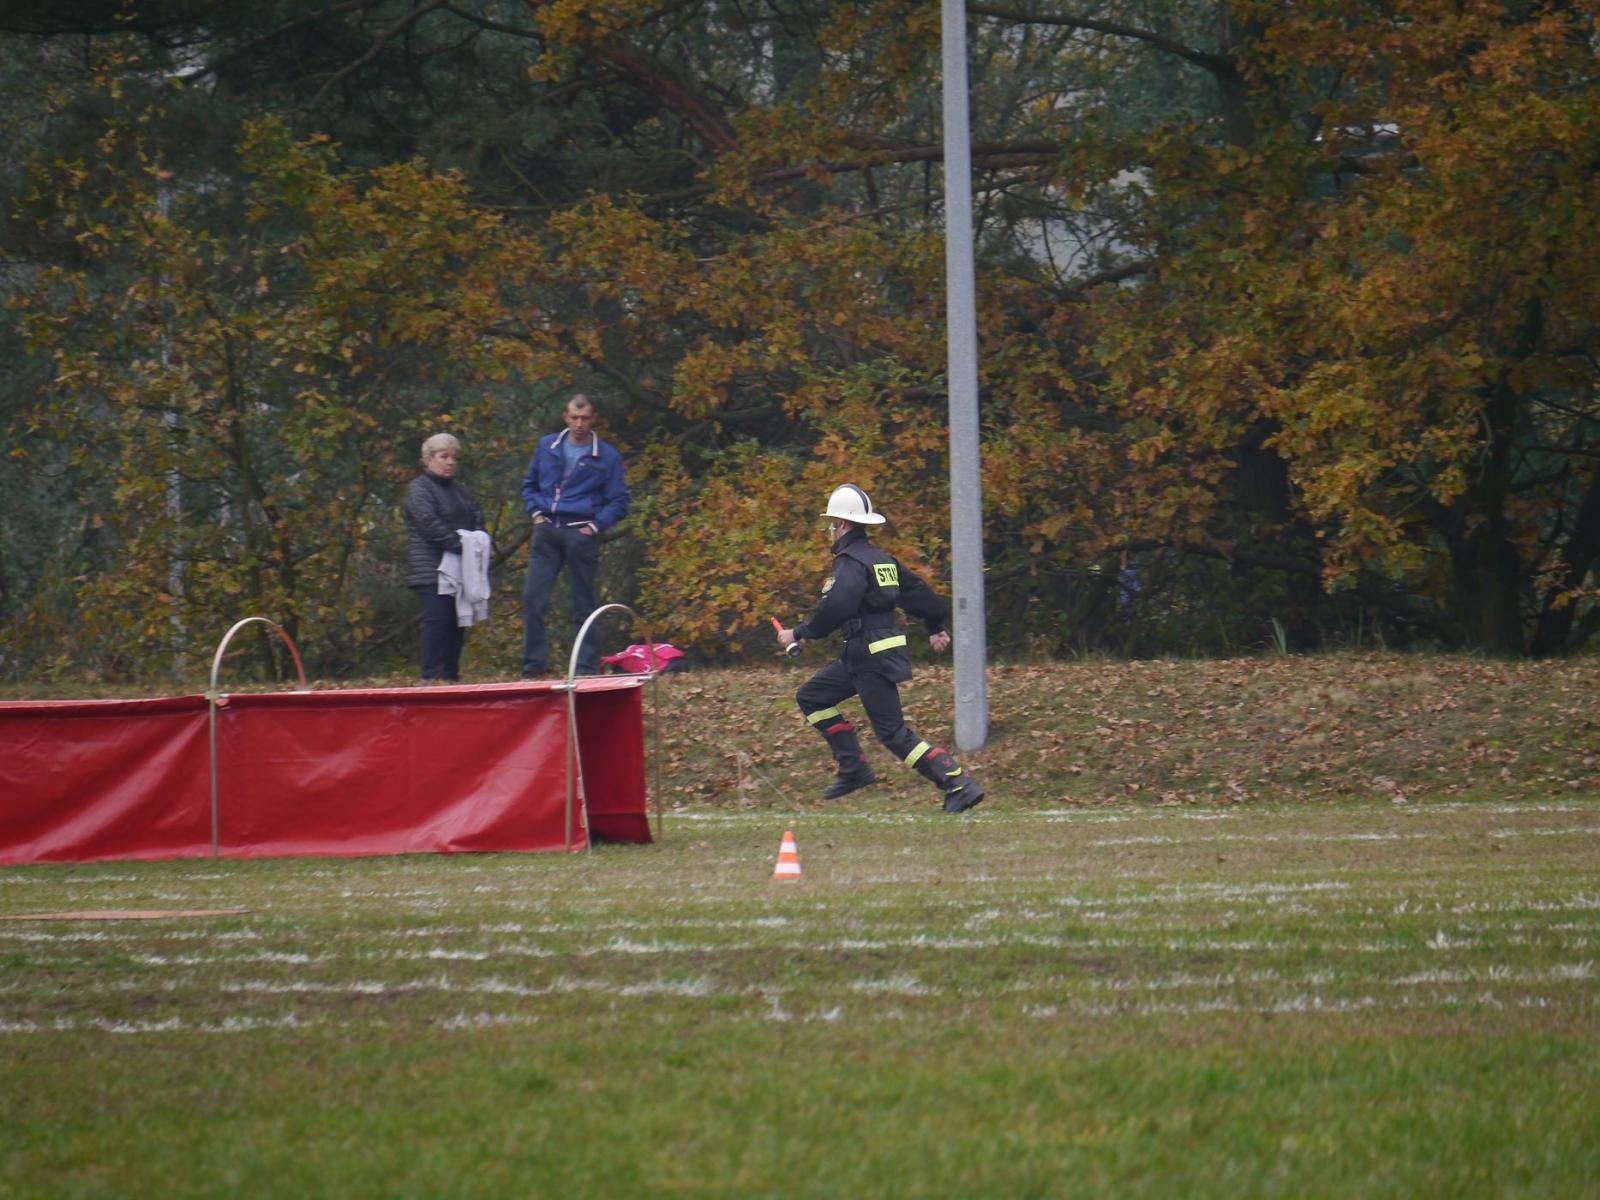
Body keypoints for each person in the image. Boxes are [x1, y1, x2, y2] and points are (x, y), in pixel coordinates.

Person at [775, 484, 985, 813]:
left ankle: (957, 783)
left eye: (832, 524)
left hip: (867, 654)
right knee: (812, 696)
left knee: (893, 733)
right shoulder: (882, 561)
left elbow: (837, 606)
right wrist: (934, 626)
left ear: (842, 524)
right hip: (867, 653)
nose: (831, 530)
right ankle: (853, 768)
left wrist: (799, 633)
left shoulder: (849, 562)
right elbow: (921, 595)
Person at [520, 393, 630, 677]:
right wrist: (535, 513)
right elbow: (529, 484)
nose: (579, 424)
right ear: (565, 417)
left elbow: (619, 501)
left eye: (584, 418)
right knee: (533, 598)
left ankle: (585, 668)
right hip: (547, 529)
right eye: (574, 418)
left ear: (593, 419)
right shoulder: (547, 446)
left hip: (581, 532)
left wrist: (594, 526)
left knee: (583, 603)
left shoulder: (606, 455)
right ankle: (533, 667)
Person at [403, 433, 486, 682]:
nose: (450, 462)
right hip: (431, 567)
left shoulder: (460, 491)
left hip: (461, 568)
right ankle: (429, 676)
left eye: (454, 458)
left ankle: (450, 675)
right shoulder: (419, 489)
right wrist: (459, 544)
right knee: (438, 620)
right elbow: (428, 523)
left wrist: (477, 540)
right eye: (444, 457)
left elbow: (477, 516)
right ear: (428, 459)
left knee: (458, 622)